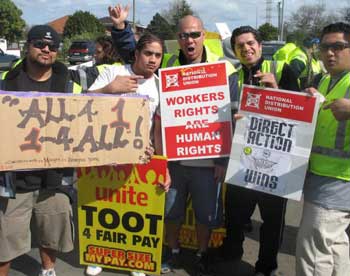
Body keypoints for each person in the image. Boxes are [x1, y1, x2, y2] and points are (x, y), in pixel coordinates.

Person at [109, 4, 236, 276]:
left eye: (195, 35)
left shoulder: (222, 69)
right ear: (177, 38)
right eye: (184, 35)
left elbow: (230, 117)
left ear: (204, 36)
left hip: (209, 161)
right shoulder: (167, 66)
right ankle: (173, 251)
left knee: (206, 215)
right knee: (172, 211)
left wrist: (223, 159)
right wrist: (121, 29)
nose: (189, 40)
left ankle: (201, 253)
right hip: (173, 160)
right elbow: (137, 56)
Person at [0, 25, 82, 276]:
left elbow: (90, 121)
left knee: (51, 233)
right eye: (40, 44)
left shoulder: (70, 87)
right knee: (5, 241)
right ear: (27, 46)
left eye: (53, 46)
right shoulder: (5, 84)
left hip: (54, 178)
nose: (46, 49)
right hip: (14, 181)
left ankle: (48, 270)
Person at [86, 33, 170, 276]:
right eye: (148, 54)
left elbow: (159, 127)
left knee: (136, 208)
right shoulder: (113, 72)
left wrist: (160, 162)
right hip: (104, 154)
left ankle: (135, 259)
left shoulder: (160, 85)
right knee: (104, 203)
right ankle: (99, 254)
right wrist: (109, 90)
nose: (153, 60)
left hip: (141, 156)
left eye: (157, 55)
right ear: (136, 54)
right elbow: (80, 105)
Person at [220, 26, 299, 276]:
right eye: (240, 46)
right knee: (234, 216)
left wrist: (276, 90)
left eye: (250, 43)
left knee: (272, 223)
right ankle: (231, 255)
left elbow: (301, 115)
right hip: (242, 162)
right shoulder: (232, 78)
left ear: (260, 45)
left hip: (276, 164)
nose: (246, 49)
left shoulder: (281, 70)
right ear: (235, 51)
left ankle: (266, 268)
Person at [296, 22, 350, 276]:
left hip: (338, 179)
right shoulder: (328, 79)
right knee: (335, 246)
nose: (330, 53)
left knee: (314, 252)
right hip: (320, 175)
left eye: (338, 47)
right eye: (325, 47)